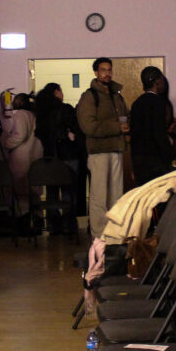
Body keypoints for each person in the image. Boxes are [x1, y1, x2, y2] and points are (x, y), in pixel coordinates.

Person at [76, 57, 129, 239]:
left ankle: (115, 234)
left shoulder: (117, 96)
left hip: (116, 149)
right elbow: (88, 126)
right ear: (96, 73)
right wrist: (116, 127)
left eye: (109, 69)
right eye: (103, 70)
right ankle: (99, 236)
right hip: (98, 152)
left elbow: (126, 117)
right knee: (99, 196)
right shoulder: (90, 97)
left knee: (116, 195)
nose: (107, 73)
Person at [34, 83, 82, 232]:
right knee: (68, 191)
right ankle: (69, 224)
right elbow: (76, 128)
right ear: (56, 92)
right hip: (67, 154)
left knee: (52, 192)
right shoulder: (66, 109)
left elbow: (39, 134)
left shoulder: (42, 112)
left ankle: (53, 225)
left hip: (49, 157)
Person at [129, 67, 175, 185]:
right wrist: (170, 156)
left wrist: (133, 163)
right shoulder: (158, 103)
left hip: (139, 160)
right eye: (162, 79)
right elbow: (159, 133)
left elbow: (133, 136)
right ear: (157, 81)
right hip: (155, 160)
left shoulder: (136, 103)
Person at [4, 92, 43, 228]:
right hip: (35, 155)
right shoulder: (34, 115)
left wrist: (7, 144)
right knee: (34, 192)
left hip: (21, 157)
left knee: (21, 192)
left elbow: (19, 136)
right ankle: (38, 221)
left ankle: (24, 224)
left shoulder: (20, 114)